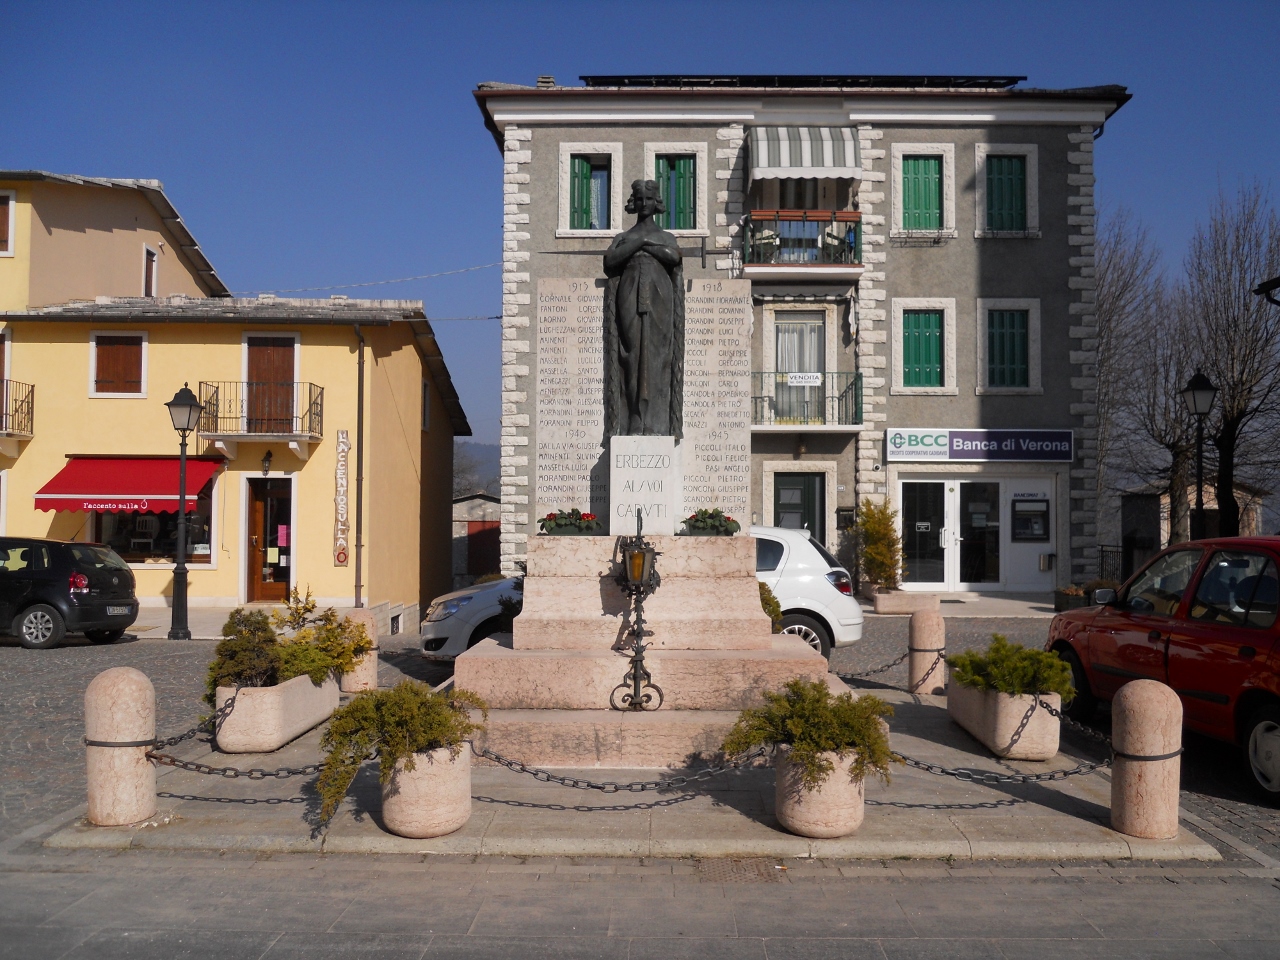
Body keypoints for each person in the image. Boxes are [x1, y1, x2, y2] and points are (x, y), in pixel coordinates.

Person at [602, 179, 685, 438]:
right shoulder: (624, 237)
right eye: (639, 199)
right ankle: (634, 420)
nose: (644, 203)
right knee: (631, 354)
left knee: (658, 354)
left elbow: (673, 257)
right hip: (628, 294)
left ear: (656, 202)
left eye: (649, 199)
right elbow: (610, 261)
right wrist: (640, 242)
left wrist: (644, 241)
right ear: (633, 203)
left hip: (660, 296)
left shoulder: (666, 237)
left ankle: (654, 420)